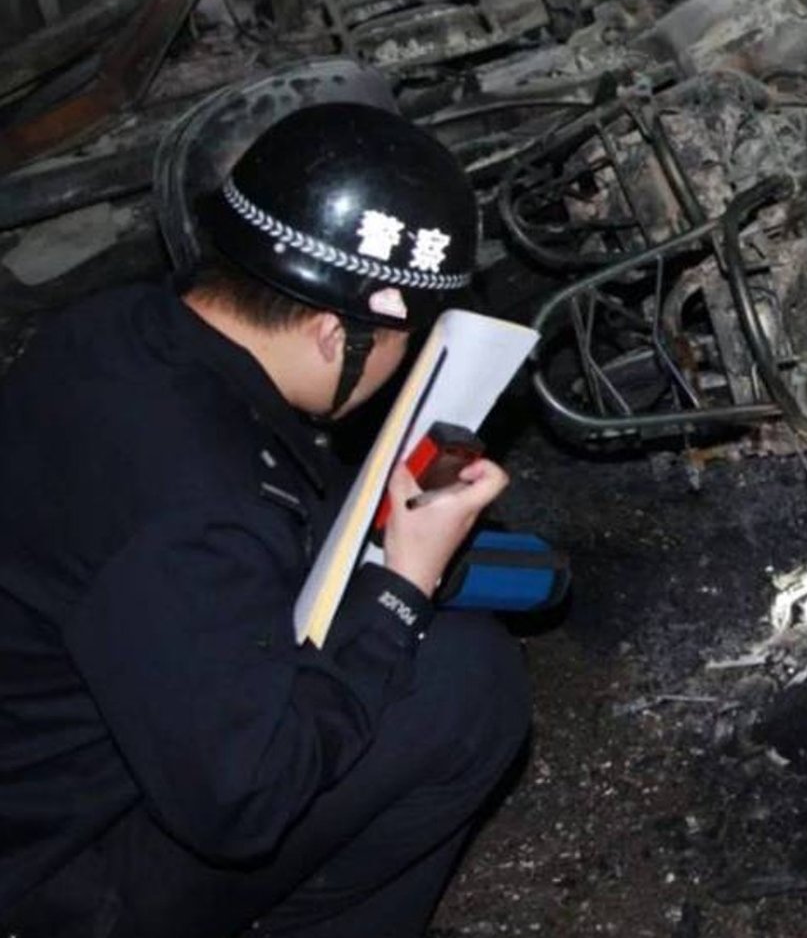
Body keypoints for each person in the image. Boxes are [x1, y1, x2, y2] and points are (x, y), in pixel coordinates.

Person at [0, 102, 531, 938]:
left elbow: (249, 509)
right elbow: (241, 802)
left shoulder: (112, 333)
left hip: (63, 749)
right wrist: (401, 586)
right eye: (409, 338)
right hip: (56, 874)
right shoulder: (199, 507)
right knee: (466, 688)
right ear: (332, 333)